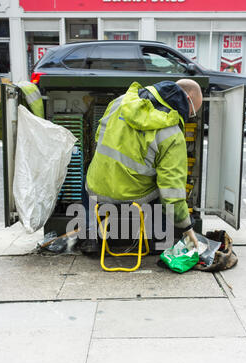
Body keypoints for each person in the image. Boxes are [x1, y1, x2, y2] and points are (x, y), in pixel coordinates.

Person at [80, 79, 203, 254]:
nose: (188, 115)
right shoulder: (172, 133)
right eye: (192, 112)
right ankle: (157, 241)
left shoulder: (119, 102)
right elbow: (172, 194)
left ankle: (89, 238)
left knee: (86, 182)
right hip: (134, 197)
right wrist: (187, 228)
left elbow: (99, 137)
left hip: (99, 191)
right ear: (187, 98)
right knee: (163, 189)